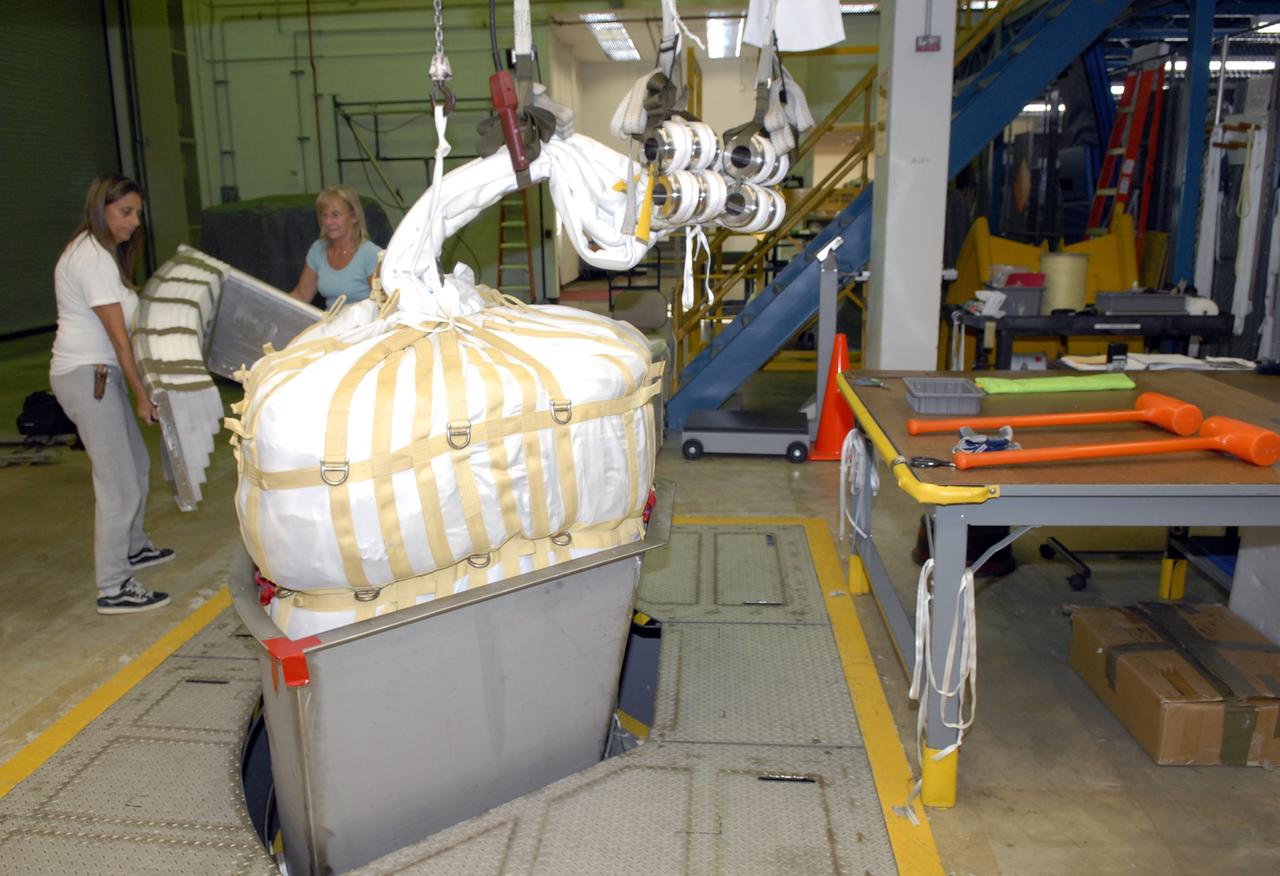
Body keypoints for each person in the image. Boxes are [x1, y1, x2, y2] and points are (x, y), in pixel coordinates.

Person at [49, 174, 174, 615]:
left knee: (135, 466)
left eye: (138, 213)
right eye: (126, 212)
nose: (135, 222)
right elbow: (120, 340)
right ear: (101, 207)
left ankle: (133, 546)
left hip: (100, 375)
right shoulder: (92, 259)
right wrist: (143, 395)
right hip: (88, 376)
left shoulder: (100, 253)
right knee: (117, 482)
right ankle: (114, 586)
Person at [290, 185, 380, 308]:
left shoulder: (371, 254)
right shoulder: (318, 249)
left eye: (335, 215)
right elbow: (301, 295)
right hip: (329, 324)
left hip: (363, 325)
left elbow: (382, 306)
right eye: (324, 215)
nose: (328, 222)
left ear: (354, 217)